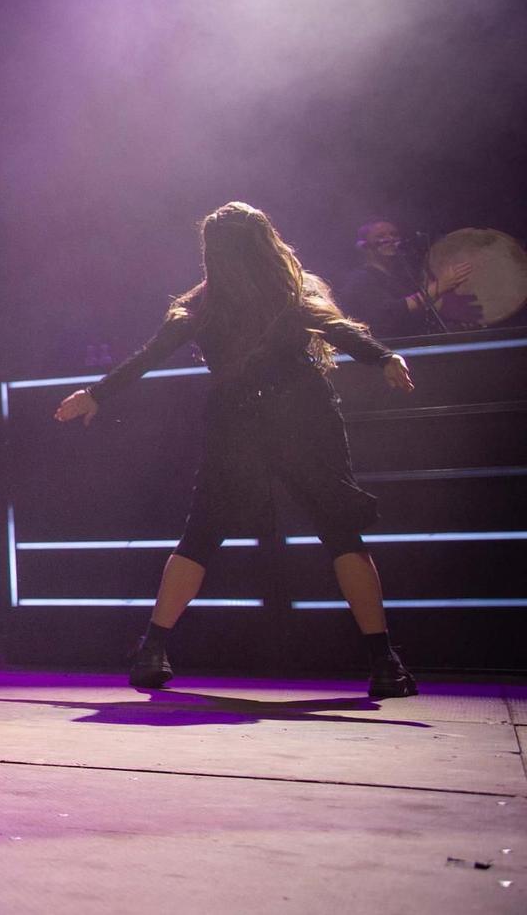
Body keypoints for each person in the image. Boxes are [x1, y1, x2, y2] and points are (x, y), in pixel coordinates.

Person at [53, 202, 419, 699]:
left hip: (248, 420)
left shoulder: (208, 305)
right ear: (267, 241)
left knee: (202, 535)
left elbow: (148, 356)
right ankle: (384, 660)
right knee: (339, 533)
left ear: (213, 254)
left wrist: (94, 394)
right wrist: (383, 357)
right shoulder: (287, 293)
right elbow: (336, 329)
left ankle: (153, 650)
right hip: (299, 418)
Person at [338, 218, 470, 340]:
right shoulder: (361, 279)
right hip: (390, 349)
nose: (390, 239)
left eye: (394, 234)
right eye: (380, 236)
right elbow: (389, 312)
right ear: (364, 246)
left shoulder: (404, 276)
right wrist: (440, 286)